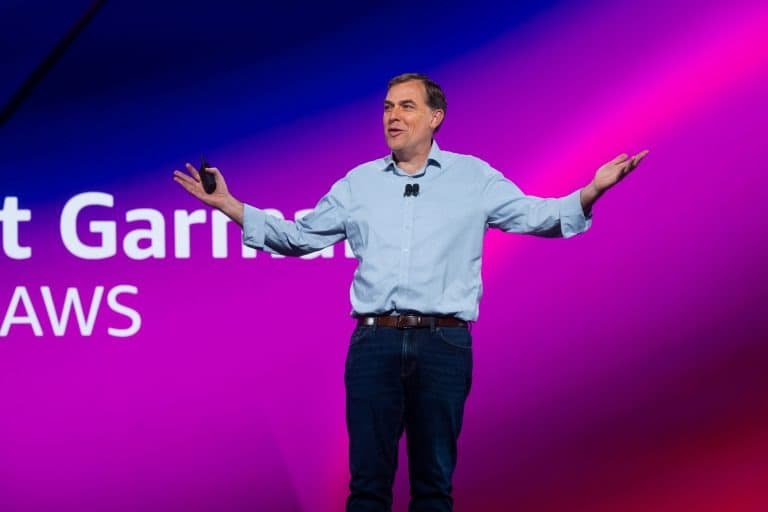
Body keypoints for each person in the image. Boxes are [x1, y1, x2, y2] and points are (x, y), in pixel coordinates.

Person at [173, 72, 648, 512]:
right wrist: (230, 205)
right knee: (367, 486)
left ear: (435, 117)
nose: (393, 116)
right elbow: (299, 237)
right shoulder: (359, 183)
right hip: (374, 343)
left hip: (444, 344)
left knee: (433, 485)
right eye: (387, 107)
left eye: (406, 106)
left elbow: (537, 216)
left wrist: (590, 191)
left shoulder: (474, 177)